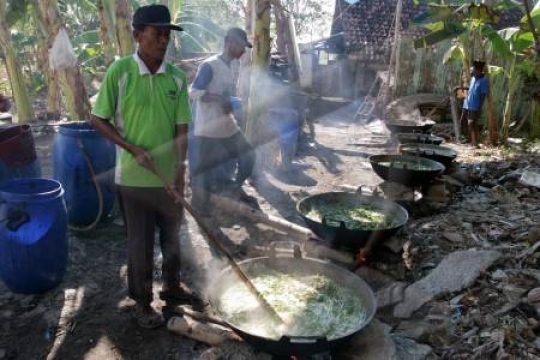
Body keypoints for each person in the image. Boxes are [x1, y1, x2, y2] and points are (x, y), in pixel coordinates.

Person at [89, 4, 194, 329]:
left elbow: (181, 129)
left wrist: (179, 172)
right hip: (133, 179)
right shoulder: (120, 72)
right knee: (140, 244)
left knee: (173, 238)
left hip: (168, 178)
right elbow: (98, 118)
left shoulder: (176, 77)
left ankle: (172, 288)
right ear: (137, 35)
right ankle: (142, 302)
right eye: (156, 34)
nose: (163, 41)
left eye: (167, 35)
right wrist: (131, 147)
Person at [189, 27, 256, 213]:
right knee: (202, 172)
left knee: (248, 155)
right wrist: (220, 100)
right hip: (208, 129)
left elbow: (228, 95)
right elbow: (193, 93)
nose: (244, 51)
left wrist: (231, 105)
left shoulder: (232, 66)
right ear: (230, 44)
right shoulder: (209, 65)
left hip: (227, 125)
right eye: (242, 46)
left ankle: (234, 188)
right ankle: (199, 208)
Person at [459, 60, 489, 147]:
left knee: (471, 123)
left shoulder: (484, 80)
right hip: (467, 103)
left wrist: (479, 108)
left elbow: (483, 95)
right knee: (462, 121)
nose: (472, 72)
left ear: (479, 71)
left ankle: (475, 143)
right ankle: (468, 139)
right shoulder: (473, 78)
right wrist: (461, 90)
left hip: (475, 105)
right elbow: (471, 88)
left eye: (473, 71)